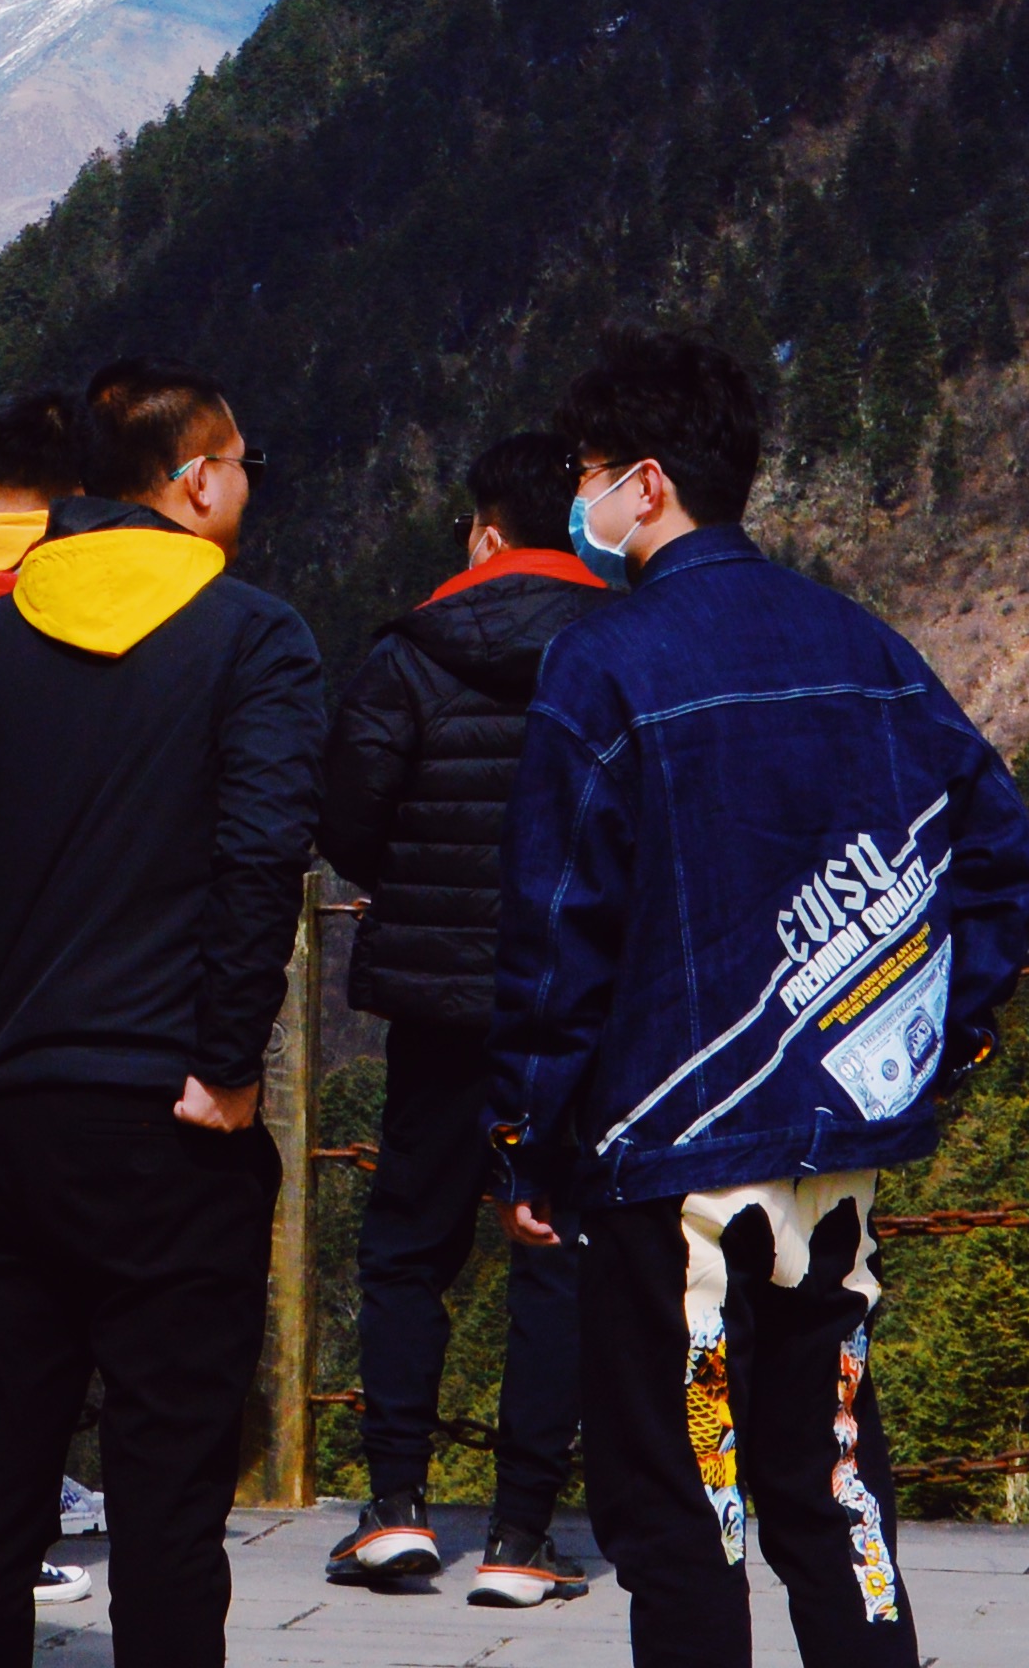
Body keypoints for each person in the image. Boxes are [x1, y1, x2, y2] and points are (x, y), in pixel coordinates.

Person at [498, 335, 1029, 1668]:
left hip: (668, 1157)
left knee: (682, 1507)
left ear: (646, 482)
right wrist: (931, 1037)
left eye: (587, 471)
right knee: (835, 1492)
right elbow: (1002, 855)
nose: (579, 497)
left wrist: (528, 1136)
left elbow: (559, 930)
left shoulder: (601, 661)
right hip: (835, 1149)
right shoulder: (865, 645)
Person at [0, 363, 323, 1668]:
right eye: (243, 464)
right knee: (169, 1500)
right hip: (176, 1119)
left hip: (19, 1118)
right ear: (197, 480)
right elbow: (261, 854)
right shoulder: (253, 638)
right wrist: (227, 1060)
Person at [311, 429, 606, 1603]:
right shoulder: (620, 646)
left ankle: (395, 1508)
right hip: (576, 999)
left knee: (406, 1247)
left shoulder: (409, 652)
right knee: (553, 1246)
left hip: (438, 1002)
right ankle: (523, 1534)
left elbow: (347, 819)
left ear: (484, 532)